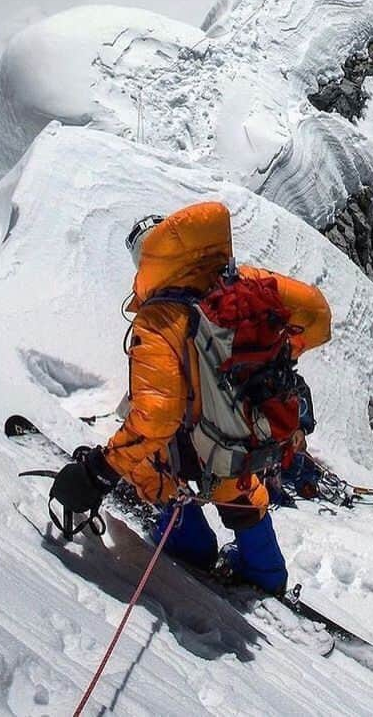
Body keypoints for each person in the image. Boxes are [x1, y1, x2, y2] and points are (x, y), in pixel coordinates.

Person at [48, 201, 331, 592]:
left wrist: (100, 471)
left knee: (149, 462)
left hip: (190, 451)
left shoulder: (160, 317)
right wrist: (281, 352)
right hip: (247, 434)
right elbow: (317, 314)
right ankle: (266, 572)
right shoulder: (242, 285)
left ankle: (191, 544)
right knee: (236, 482)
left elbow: (156, 417)